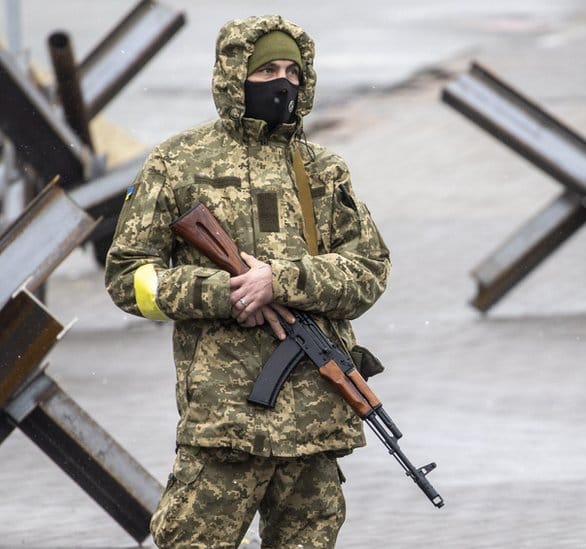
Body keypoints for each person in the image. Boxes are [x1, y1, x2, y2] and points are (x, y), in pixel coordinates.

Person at [104, 15, 390, 548]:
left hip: (314, 425)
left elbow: (370, 269)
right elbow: (128, 277)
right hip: (224, 424)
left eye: (292, 72)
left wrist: (281, 281)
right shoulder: (177, 161)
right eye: (267, 71)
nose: (282, 83)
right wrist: (225, 292)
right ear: (235, 75)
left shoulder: (323, 169)